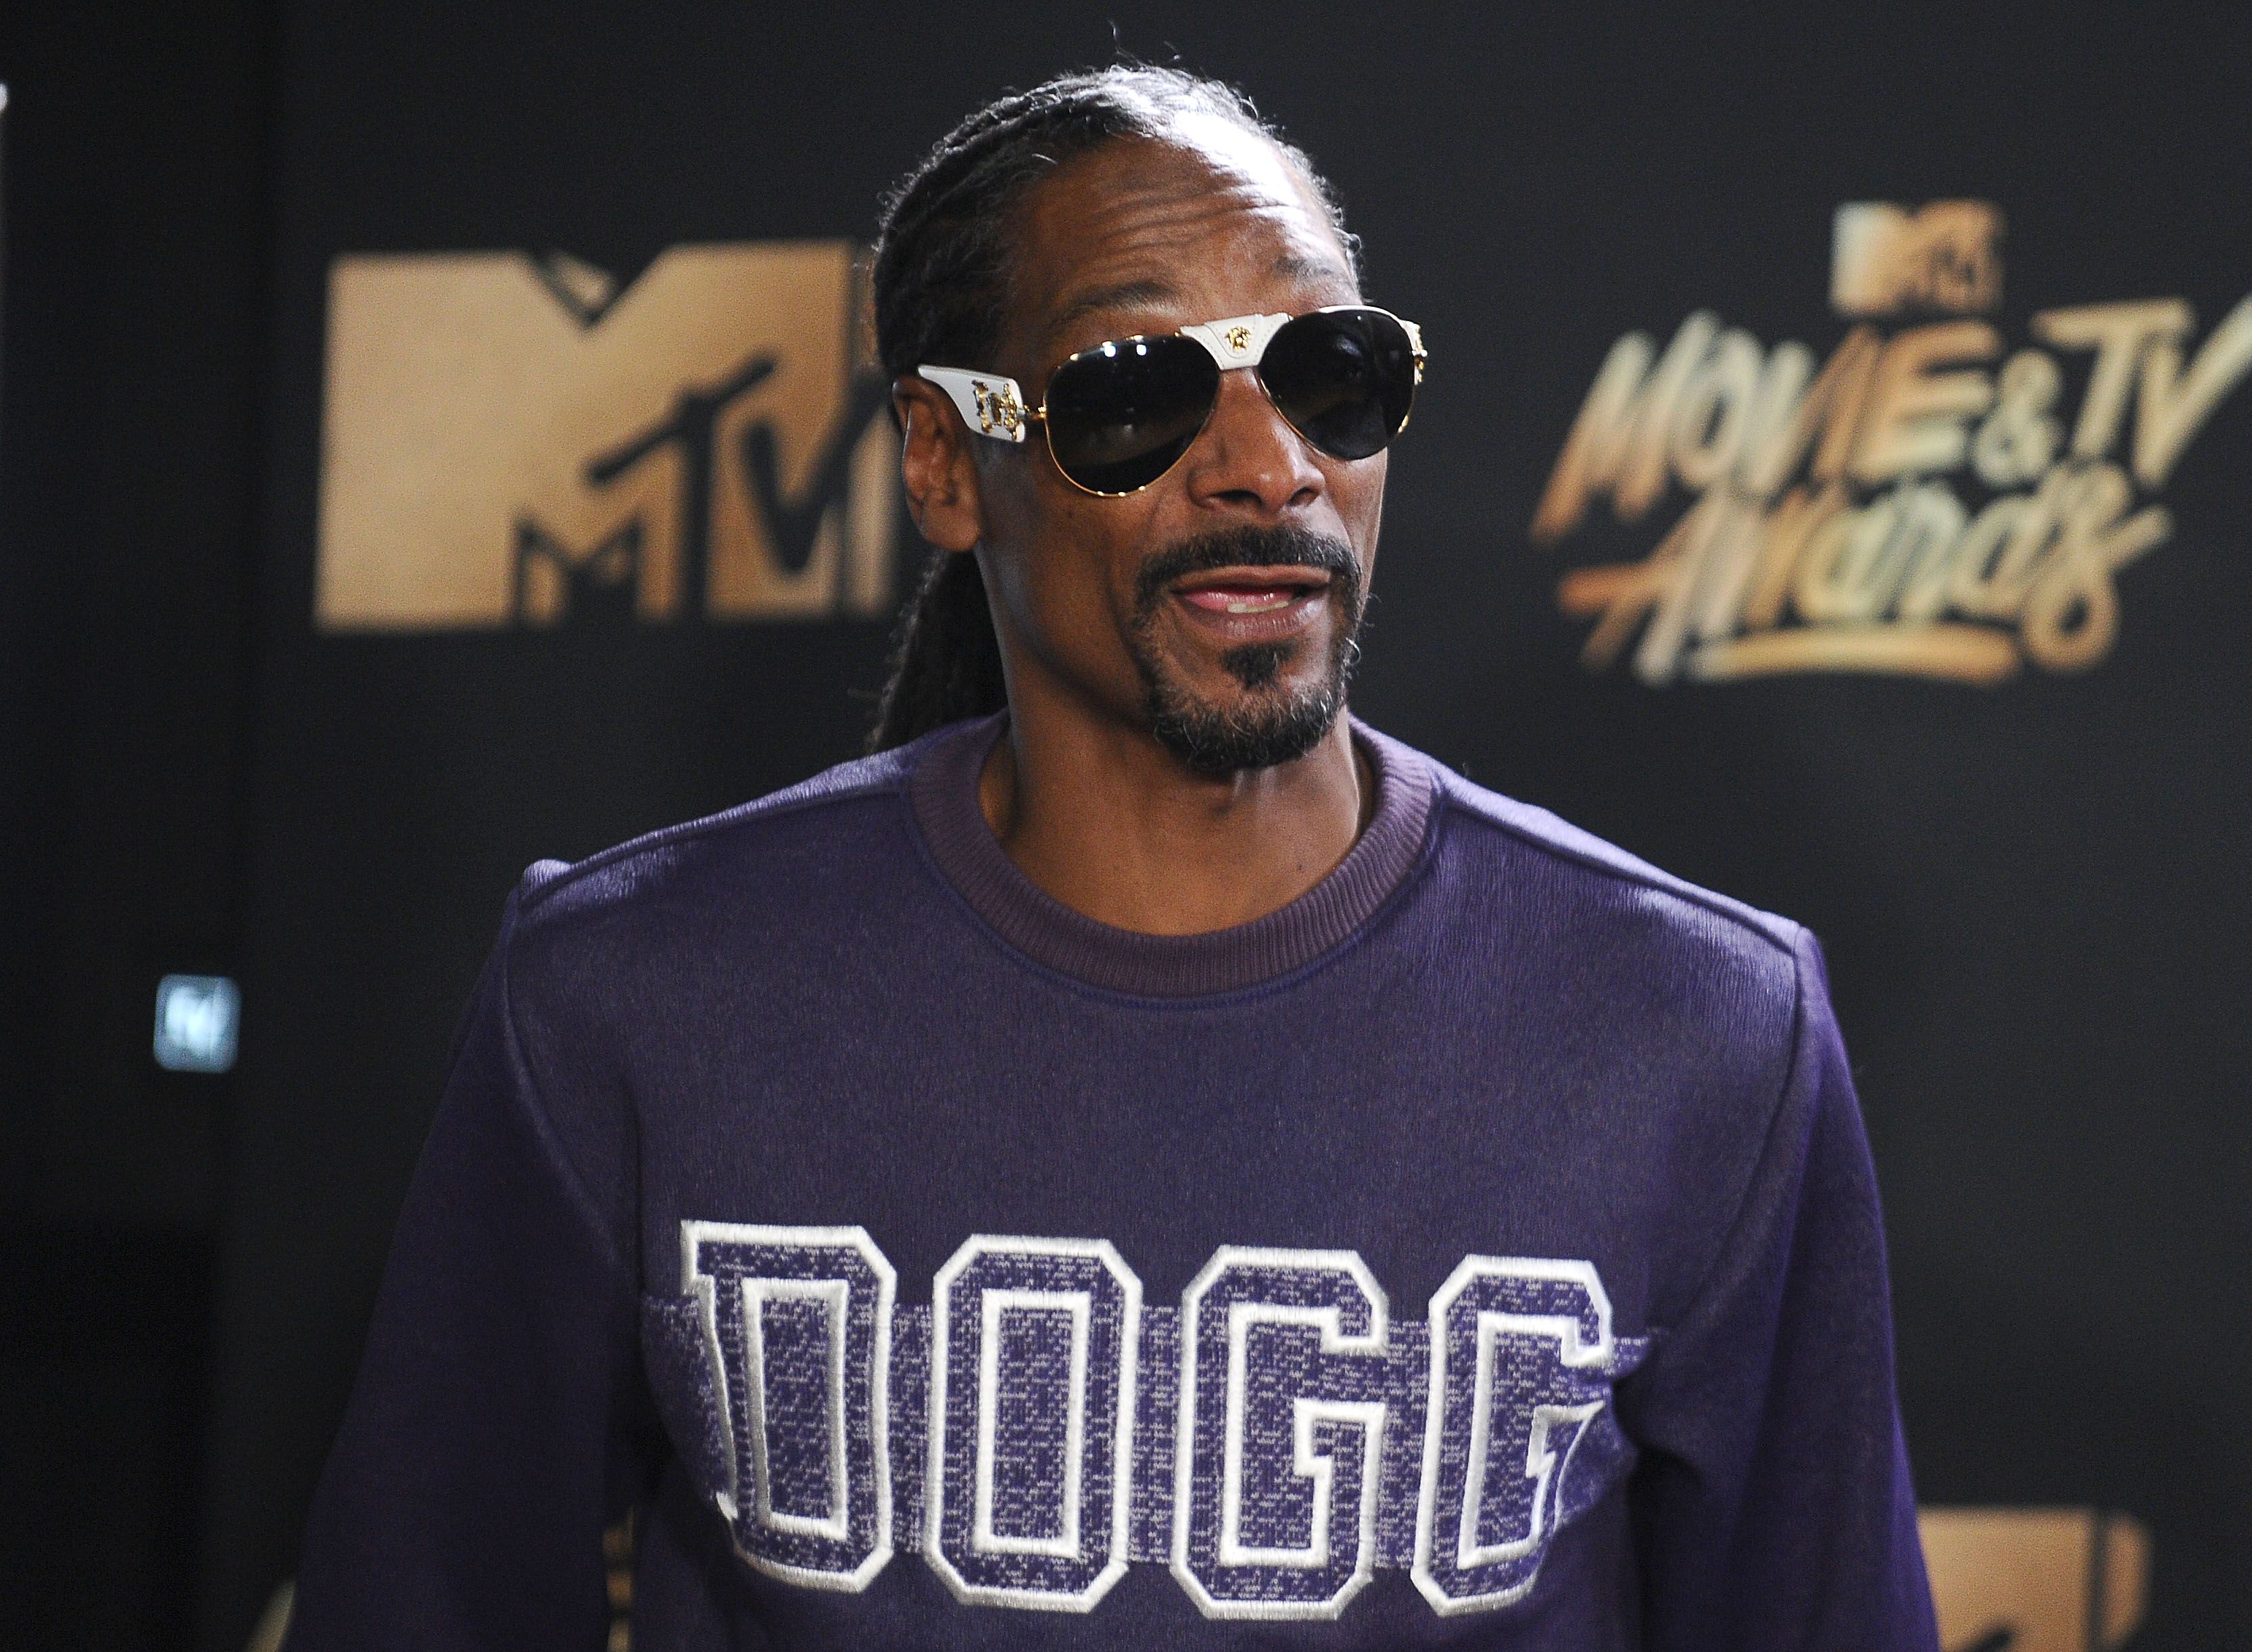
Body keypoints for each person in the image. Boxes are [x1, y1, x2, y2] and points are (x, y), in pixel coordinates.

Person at [287, 65, 1939, 1651]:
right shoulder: (632, 996)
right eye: (1136, 389)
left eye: (1329, 372)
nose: (1268, 463)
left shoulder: (1701, 1028)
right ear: (946, 460)